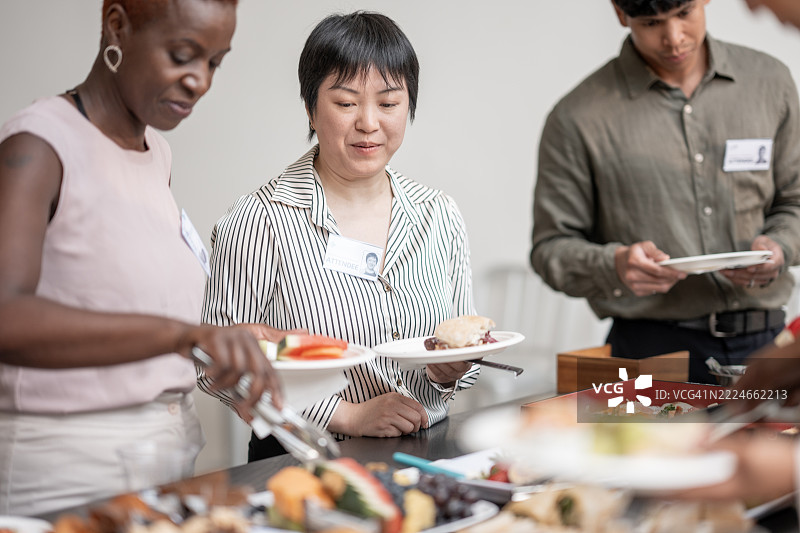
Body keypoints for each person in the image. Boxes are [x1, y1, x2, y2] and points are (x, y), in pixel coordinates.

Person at [0, 0, 284, 516]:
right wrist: (184, 336)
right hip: (65, 467)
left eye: (214, 62)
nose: (200, 81)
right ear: (117, 26)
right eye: (182, 55)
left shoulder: (157, 153)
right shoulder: (39, 146)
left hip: (167, 453)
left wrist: (223, 343)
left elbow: (127, 305)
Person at [201, 11, 480, 461]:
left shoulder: (438, 214)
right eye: (347, 103)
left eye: (388, 103)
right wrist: (346, 414)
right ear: (311, 107)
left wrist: (448, 371)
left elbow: (459, 344)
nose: (369, 122)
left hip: (428, 453)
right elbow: (214, 362)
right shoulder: (261, 218)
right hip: (304, 461)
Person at [530, 0, 800, 384]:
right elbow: (549, 249)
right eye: (652, 22)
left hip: (768, 348)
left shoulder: (770, 82)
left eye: (685, 13)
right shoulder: (577, 116)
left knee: (768, 448)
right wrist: (616, 265)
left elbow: (796, 201)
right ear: (620, 14)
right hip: (646, 356)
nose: (674, 38)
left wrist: (781, 246)